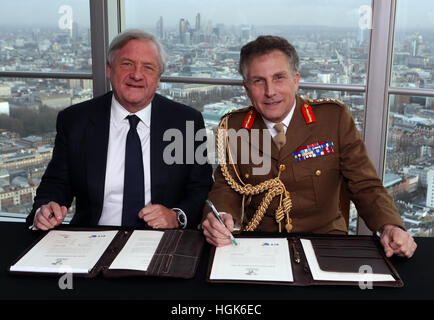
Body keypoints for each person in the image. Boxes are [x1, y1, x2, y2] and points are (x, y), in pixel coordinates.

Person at [201, 35, 417, 258]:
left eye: (279, 78)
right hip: (258, 247)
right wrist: (222, 218)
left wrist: (390, 225)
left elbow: (365, 185)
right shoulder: (235, 126)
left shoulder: (333, 119)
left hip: (324, 244)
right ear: (246, 88)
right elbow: (226, 187)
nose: (270, 91)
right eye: (258, 81)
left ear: (296, 80)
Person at [27, 29, 213, 230]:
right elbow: (56, 183)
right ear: (109, 70)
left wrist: (177, 216)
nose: (136, 75)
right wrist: (44, 211)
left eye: (148, 68)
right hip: (92, 238)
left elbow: (201, 189)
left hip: (163, 239)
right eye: (127, 64)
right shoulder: (75, 120)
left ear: (158, 78)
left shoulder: (186, 122)